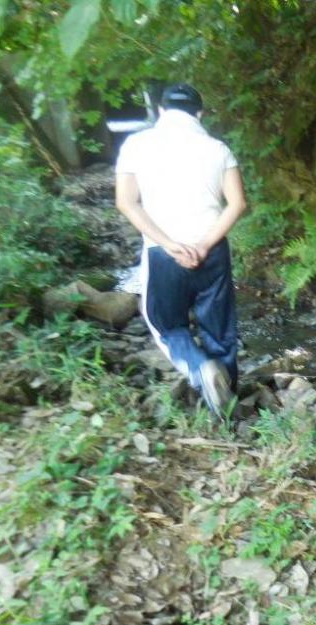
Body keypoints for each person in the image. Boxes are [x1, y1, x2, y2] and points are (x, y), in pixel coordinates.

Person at [115, 83, 246, 416]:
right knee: (219, 327)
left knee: (168, 324)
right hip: (212, 250)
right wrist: (204, 243)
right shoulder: (218, 148)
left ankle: (199, 367)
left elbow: (126, 202)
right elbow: (237, 203)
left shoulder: (136, 145)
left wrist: (169, 243)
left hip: (163, 253)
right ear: (199, 113)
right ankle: (228, 406)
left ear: (161, 110)